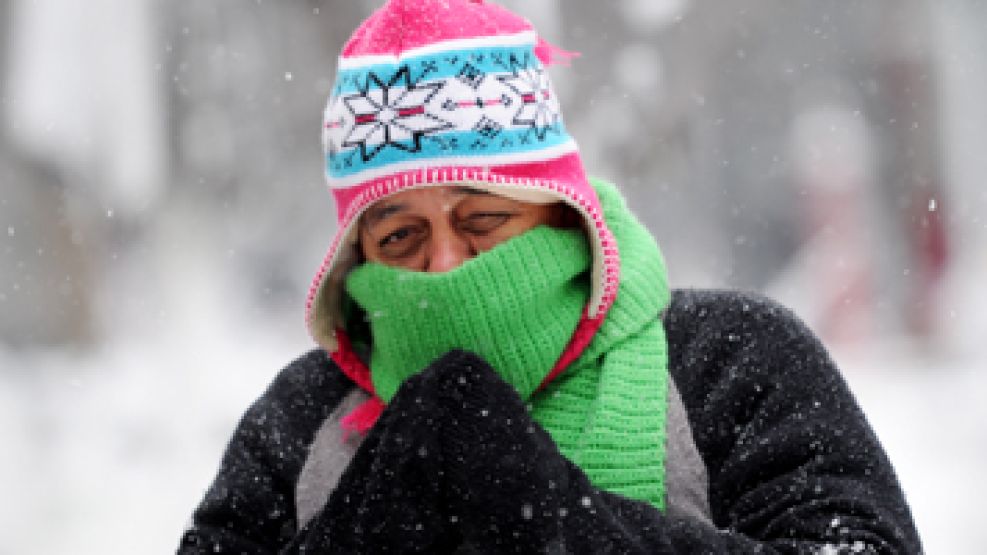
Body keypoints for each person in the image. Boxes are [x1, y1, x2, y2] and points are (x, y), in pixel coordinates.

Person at [178, 0, 922, 552]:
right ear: (356, 256)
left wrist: (548, 511)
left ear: (560, 212)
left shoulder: (726, 359)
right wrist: (375, 515)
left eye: (483, 220)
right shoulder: (306, 415)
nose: (444, 265)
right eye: (401, 234)